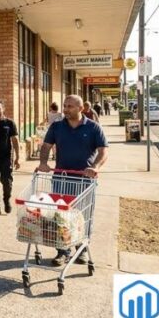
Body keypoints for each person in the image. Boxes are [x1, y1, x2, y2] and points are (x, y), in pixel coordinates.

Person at [37, 95, 109, 266]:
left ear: (81, 108)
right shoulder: (57, 126)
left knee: (82, 215)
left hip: (84, 180)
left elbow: (103, 151)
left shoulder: (93, 127)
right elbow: (46, 146)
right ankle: (63, 251)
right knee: (61, 216)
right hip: (61, 178)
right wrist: (43, 163)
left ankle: (81, 249)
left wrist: (95, 167)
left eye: (70, 106)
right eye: (64, 105)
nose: (65, 109)